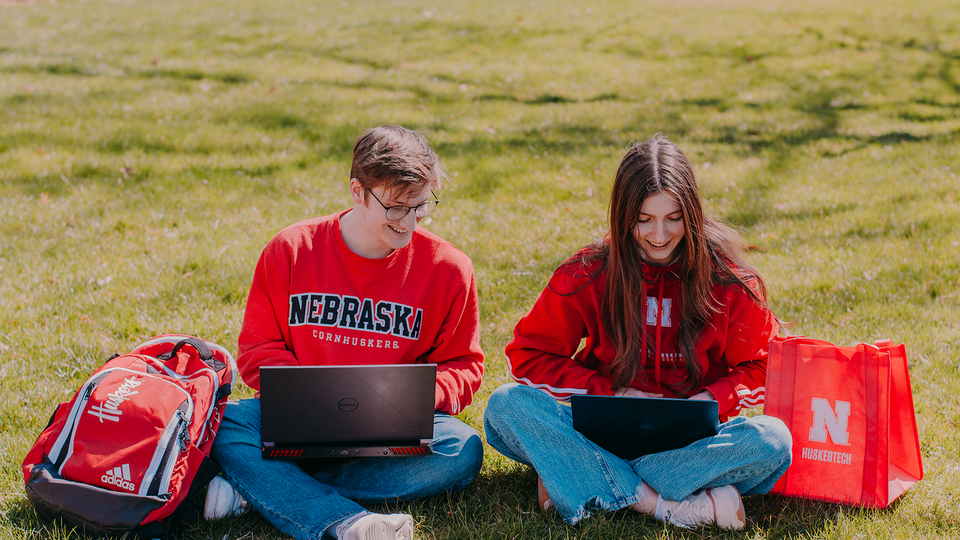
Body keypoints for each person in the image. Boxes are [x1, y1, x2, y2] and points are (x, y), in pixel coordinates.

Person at [483, 135, 792, 530]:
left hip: (691, 442)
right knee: (506, 406)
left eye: (673, 218)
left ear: (692, 214)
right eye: (643, 220)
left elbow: (764, 366)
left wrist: (707, 399)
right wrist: (609, 393)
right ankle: (662, 502)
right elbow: (529, 356)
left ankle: (579, 475)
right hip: (602, 429)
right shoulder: (588, 271)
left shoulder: (726, 279)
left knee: (773, 440)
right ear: (622, 215)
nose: (659, 235)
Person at [206, 125, 484, 540]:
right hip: (297, 419)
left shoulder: (449, 269)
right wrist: (309, 396)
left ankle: (262, 488)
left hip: (392, 427)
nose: (409, 221)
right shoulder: (291, 249)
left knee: (461, 450)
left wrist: (415, 396)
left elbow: (464, 364)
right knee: (220, 421)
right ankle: (347, 522)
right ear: (358, 191)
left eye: (421, 206)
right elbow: (258, 348)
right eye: (395, 207)